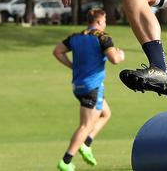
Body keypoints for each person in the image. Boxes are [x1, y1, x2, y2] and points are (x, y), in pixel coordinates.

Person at [52, 9, 125, 171]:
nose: (105, 24)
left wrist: (72, 66)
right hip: (92, 87)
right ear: (99, 22)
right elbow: (114, 60)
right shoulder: (103, 37)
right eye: (104, 20)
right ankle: (66, 160)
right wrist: (121, 55)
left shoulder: (76, 37)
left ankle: (86, 144)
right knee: (85, 126)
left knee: (106, 113)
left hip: (78, 86)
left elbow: (57, 51)